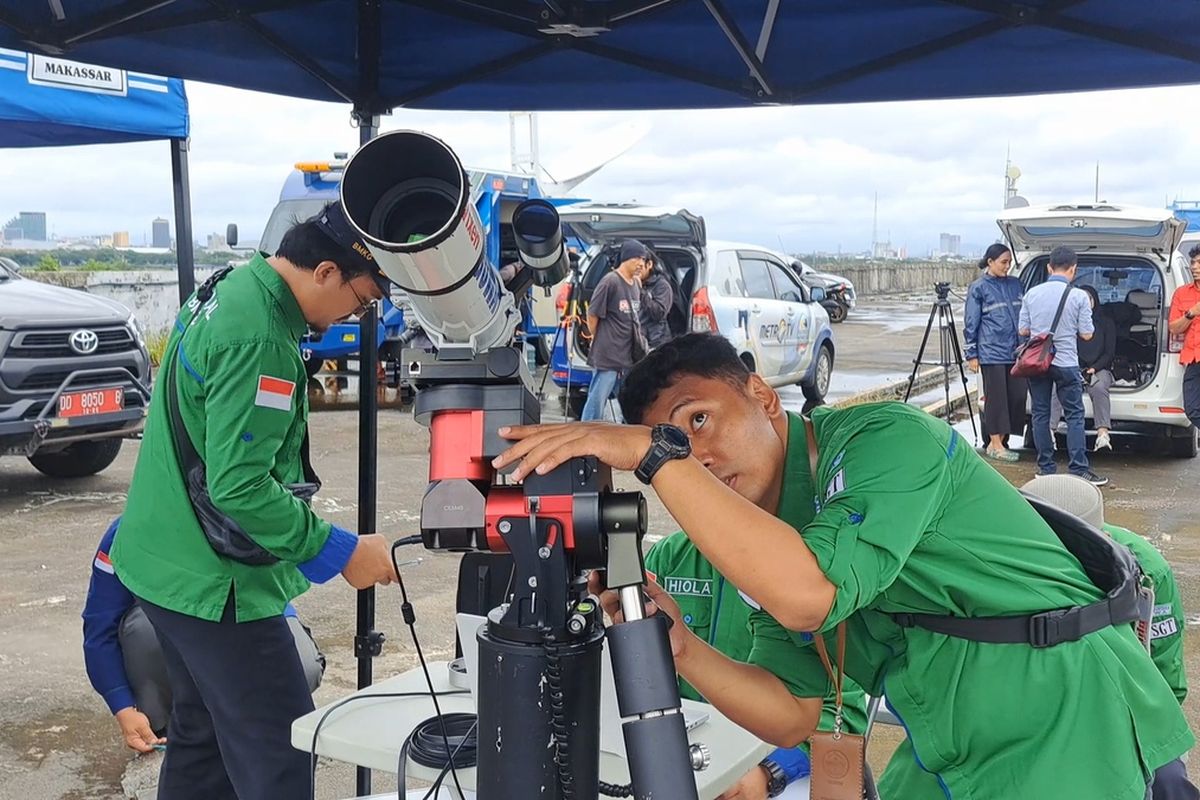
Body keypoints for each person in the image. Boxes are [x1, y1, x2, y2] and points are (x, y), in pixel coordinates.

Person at [493, 332, 1193, 799]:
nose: (694, 457)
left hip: (1063, 701)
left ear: (764, 397)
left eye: (698, 420)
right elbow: (797, 711)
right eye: (674, 443)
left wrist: (650, 452)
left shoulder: (885, 440)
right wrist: (681, 648)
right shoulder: (772, 537)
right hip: (945, 723)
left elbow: (808, 595)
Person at [109, 202, 400, 800]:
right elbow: (239, 486)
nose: (360, 313)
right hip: (214, 586)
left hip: (161, 563)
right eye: (363, 298)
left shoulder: (232, 283)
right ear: (324, 271)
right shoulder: (260, 336)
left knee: (204, 735)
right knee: (280, 750)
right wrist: (340, 551)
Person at [644, 530, 868, 799]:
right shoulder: (670, 557)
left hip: (775, 769)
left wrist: (768, 772)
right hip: (684, 761)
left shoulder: (813, 565)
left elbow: (845, 715)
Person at [83, 518, 326, 753]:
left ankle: (253, 717)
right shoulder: (128, 532)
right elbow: (100, 626)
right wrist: (123, 707)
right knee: (143, 630)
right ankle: (166, 719)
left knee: (303, 667)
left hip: (249, 611)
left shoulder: (248, 513)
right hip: (173, 626)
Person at [1020, 475, 1194, 800]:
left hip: (1124, 702)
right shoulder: (995, 569)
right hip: (1031, 703)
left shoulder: (1148, 574)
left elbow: (1164, 673)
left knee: (1167, 779)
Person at [1019, 245, 1107, 485]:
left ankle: (1046, 469)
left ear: (1049, 267)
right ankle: (1079, 469)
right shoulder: (1078, 296)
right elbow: (1087, 334)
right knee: (1075, 414)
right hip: (1066, 362)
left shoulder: (1031, 295)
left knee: (1040, 413)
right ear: (1074, 269)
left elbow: (1023, 330)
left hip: (1038, 362)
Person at [964, 243, 1026, 462]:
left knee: (1016, 398)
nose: (1007, 266)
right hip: (991, 351)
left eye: (1009, 262)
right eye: (1003, 262)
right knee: (996, 399)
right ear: (990, 262)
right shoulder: (979, 287)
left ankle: (996, 443)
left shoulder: (1015, 284)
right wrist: (972, 354)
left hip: (1015, 350)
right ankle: (997, 444)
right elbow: (971, 321)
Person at [581, 239, 650, 421]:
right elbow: (593, 314)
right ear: (627, 258)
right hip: (608, 357)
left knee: (629, 403)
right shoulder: (610, 282)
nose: (641, 264)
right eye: (638, 259)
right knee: (596, 402)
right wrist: (599, 338)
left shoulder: (636, 284)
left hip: (628, 358)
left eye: (643, 260)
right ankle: (585, 437)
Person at [1050, 284, 1117, 451]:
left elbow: (1109, 353)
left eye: (1088, 299)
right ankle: (1050, 431)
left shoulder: (1106, 323)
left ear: (1094, 301)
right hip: (1073, 366)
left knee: (1099, 387)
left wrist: (1094, 368)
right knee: (1058, 386)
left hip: (1099, 368)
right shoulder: (1069, 321)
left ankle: (1102, 434)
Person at [1168, 243, 1200, 430]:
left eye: (1198, 263)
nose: (1194, 267)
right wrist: (1191, 313)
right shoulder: (1182, 293)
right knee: (1192, 408)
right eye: (1193, 262)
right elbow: (1174, 328)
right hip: (1193, 359)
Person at [638, 249, 675, 350]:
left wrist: (641, 292)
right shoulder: (628, 284)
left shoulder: (662, 286)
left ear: (649, 264)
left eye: (640, 266)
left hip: (655, 341)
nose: (636, 270)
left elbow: (659, 313)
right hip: (634, 341)